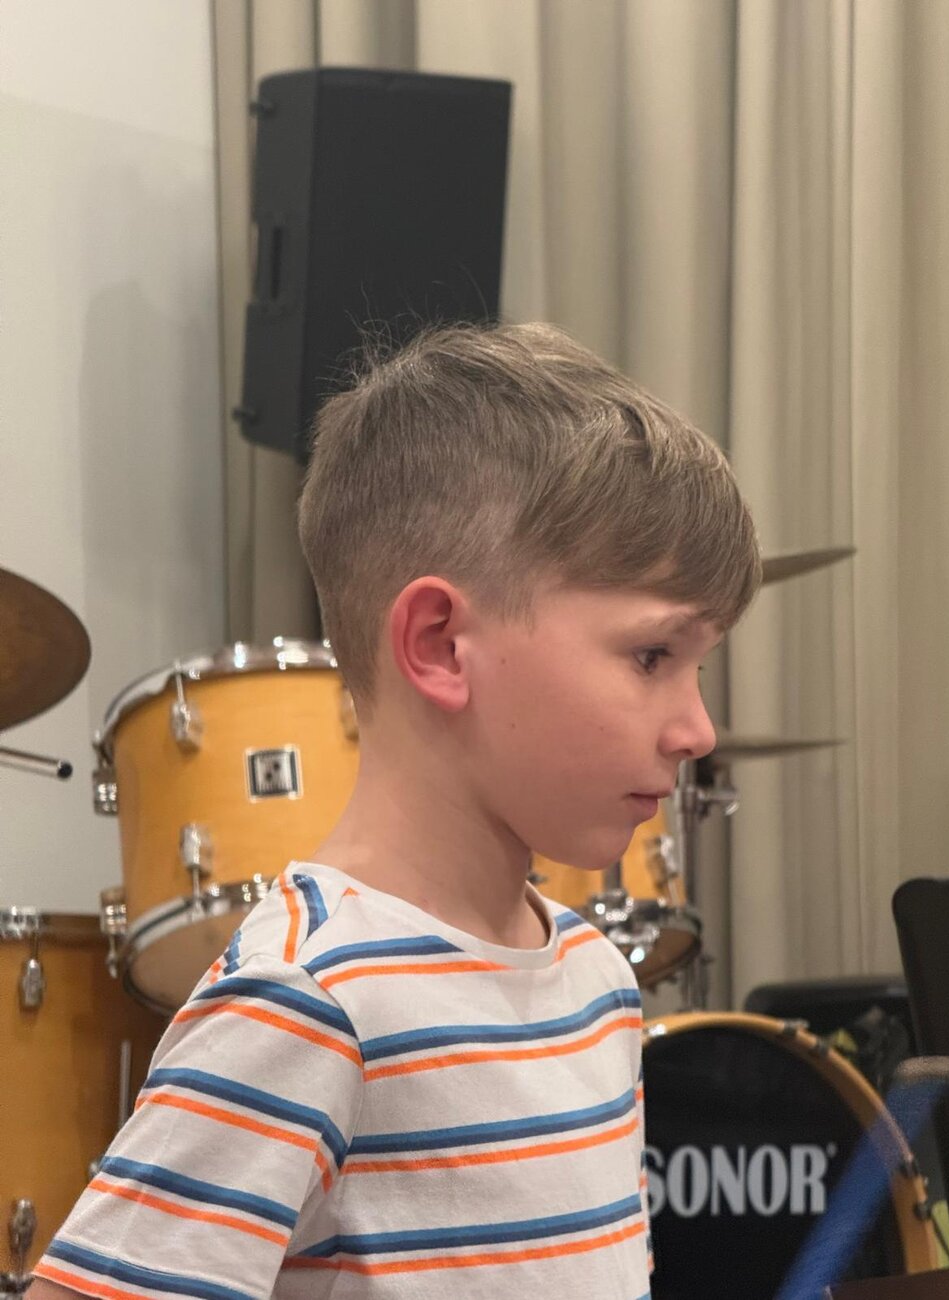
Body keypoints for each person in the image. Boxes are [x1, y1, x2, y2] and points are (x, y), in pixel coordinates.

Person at [31, 322, 760, 1299]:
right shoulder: (310, 1000)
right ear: (440, 644)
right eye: (652, 656)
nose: (698, 729)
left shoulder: (595, 980)